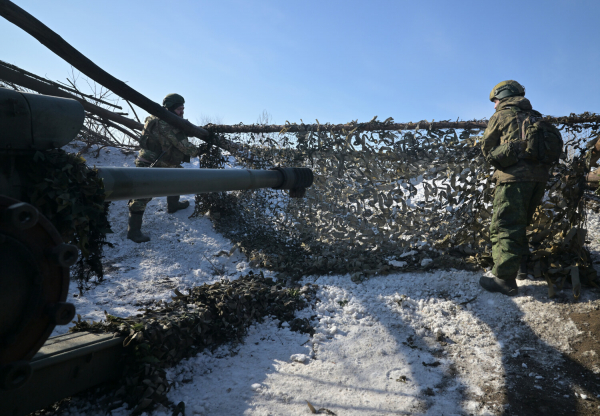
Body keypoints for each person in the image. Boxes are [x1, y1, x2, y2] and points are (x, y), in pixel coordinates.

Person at [479, 80, 551, 296]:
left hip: (513, 179)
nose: (494, 105)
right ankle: (521, 267)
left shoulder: (502, 115)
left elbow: (487, 147)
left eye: (496, 100)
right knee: (521, 223)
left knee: (505, 226)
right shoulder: (537, 116)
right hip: (538, 179)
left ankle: (504, 279)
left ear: (504, 96)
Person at [127, 93, 199, 243]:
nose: (182, 112)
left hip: (158, 161)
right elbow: (186, 148)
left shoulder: (153, 118)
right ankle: (133, 232)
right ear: (172, 108)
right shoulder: (168, 124)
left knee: (178, 176)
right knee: (141, 196)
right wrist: (201, 150)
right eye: (180, 109)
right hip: (153, 162)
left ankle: (173, 205)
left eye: (183, 108)